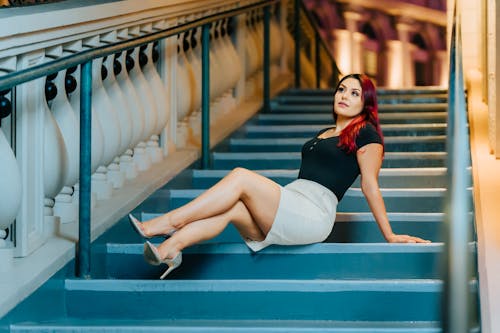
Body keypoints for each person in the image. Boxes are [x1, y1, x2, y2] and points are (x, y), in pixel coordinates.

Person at [128, 73, 430, 279]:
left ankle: (169, 222)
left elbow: (370, 186)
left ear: (366, 104)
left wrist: (389, 235)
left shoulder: (366, 134)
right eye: (341, 89)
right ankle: (170, 249)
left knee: (241, 177)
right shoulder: (324, 133)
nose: (345, 96)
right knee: (232, 208)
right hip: (291, 202)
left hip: (312, 213)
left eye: (355, 93)